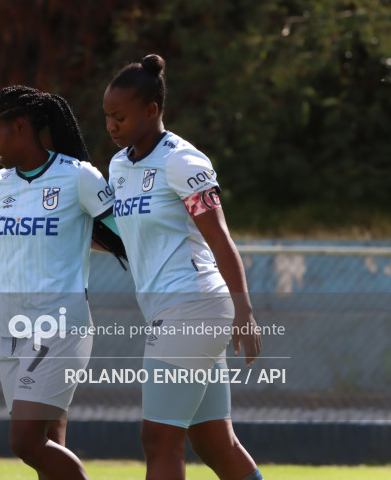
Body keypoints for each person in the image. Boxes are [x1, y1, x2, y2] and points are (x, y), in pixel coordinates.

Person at [0, 86, 126, 480]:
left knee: (24, 440)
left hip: (61, 328)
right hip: (12, 331)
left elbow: (129, 236)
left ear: (21, 127)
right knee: (47, 444)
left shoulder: (78, 177)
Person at [103, 55, 264, 480]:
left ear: (151, 111)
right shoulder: (119, 167)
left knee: (159, 441)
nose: (111, 126)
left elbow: (220, 239)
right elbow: (129, 238)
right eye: (107, 117)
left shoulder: (183, 162)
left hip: (191, 307)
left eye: (119, 116)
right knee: (214, 442)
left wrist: (244, 311)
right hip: (173, 312)